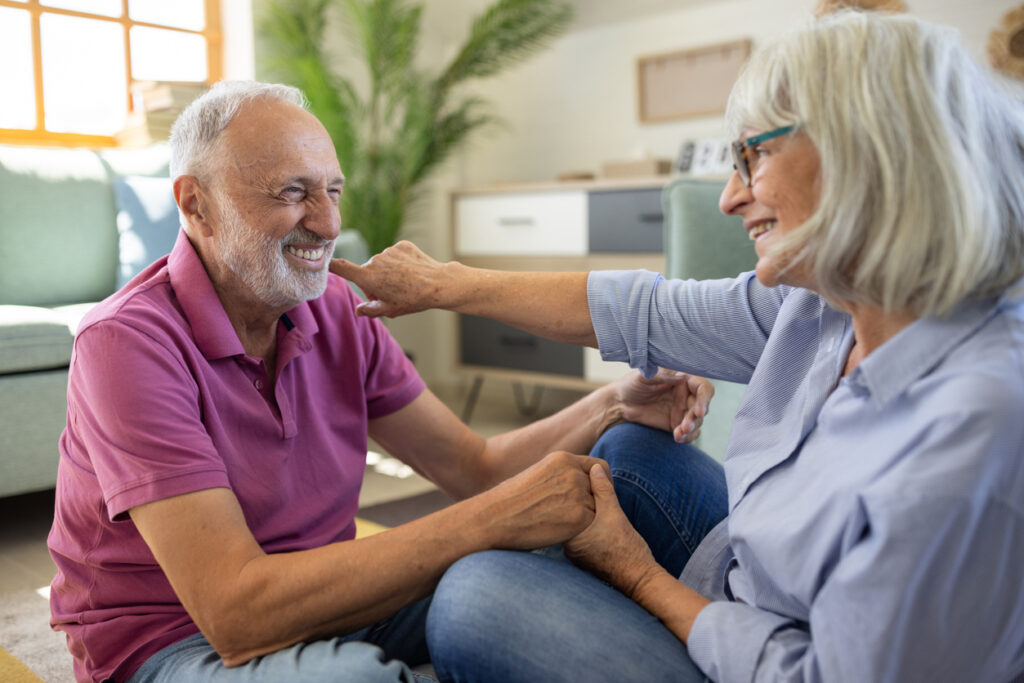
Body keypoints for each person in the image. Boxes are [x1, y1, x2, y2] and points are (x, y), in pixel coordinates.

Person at [331, 10, 1024, 682]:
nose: (728, 197)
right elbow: (646, 308)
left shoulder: (970, 428)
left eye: (754, 155)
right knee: (627, 455)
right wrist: (443, 283)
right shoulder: (821, 303)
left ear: (866, 152)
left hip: (784, 654)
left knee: (477, 597)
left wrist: (637, 575)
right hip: (751, 584)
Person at [46, 80, 716, 683]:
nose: (330, 224)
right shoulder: (125, 344)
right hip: (177, 641)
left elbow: (474, 466)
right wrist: (490, 523)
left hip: (330, 597)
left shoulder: (335, 308)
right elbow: (237, 613)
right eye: (292, 192)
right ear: (197, 204)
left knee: (630, 463)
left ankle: (750, 633)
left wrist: (608, 405)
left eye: (332, 190)